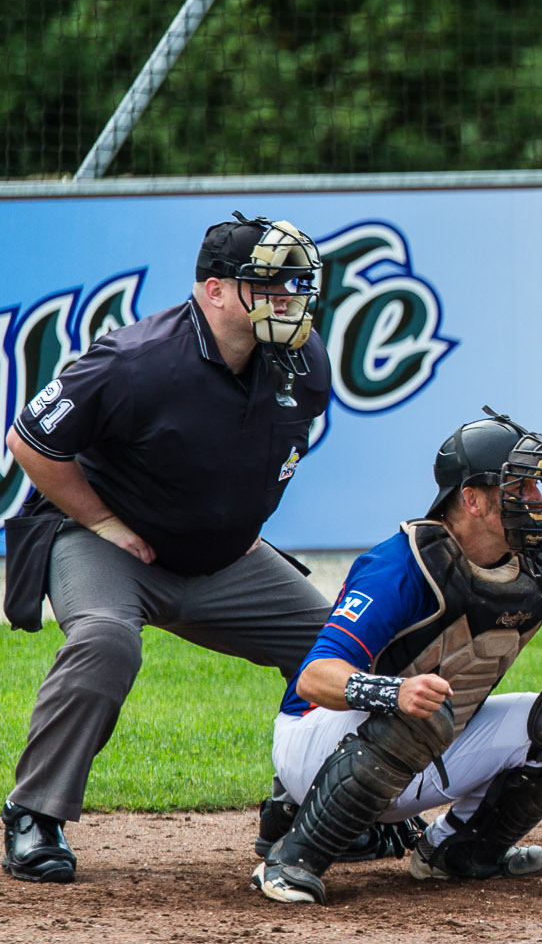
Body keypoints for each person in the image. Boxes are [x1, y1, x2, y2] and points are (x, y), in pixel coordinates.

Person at [252, 409, 542, 906]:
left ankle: (458, 853)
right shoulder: (403, 566)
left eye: (538, 486)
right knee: (423, 709)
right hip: (316, 743)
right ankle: (293, 858)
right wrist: (395, 692)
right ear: (471, 498)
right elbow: (315, 678)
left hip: (420, 742)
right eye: (519, 486)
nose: (537, 500)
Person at [2, 214, 332, 885]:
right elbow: (31, 440)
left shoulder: (304, 357)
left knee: (339, 646)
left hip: (224, 559)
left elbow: (275, 451)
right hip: (110, 544)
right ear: (213, 290)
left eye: (294, 285)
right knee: (106, 640)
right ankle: (32, 813)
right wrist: (104, 522)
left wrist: (237, 522)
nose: (287, 302)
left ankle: (309, 809)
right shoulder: (137, 360)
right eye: (266, 286)